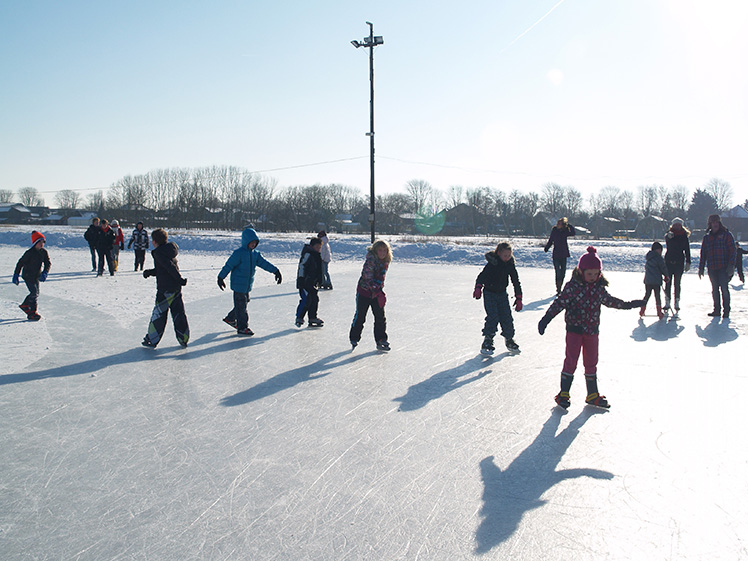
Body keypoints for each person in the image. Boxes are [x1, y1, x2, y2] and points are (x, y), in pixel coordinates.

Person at [537, 246, 645, 410]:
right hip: (574, 330)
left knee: (591, 361)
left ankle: (592, 394)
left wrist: (629, 305)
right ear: (581, 271)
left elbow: (611, 302)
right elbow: (559, 303)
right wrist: (546, 318)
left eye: (596, 274)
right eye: (590, 274)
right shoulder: (572, 287)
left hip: (592, 331)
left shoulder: (598, 289)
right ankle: (563, 393)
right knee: (571, 360)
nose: (593, 277)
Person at [217, 227, 282, 336]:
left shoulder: (255, 254)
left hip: (247, 285)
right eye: (251, 242)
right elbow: (228, 266)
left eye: (255, 243)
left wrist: (276, 271)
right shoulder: (239, 253)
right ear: (246, 241)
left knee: (243, 303)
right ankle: (242, 327)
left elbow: (264, 264)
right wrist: (220, 277)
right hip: (238, 285)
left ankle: (230, 318)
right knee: (242, 307)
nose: (253, 245)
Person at [141, 228, 190, 348]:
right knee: (178, 313)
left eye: (152, 240)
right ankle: (183, 338)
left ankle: (151, 339)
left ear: (155, 241)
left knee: (159, 314)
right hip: (175, 288)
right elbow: (163, 269)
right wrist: (150, 272)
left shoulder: (159, 253)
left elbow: (169, 267)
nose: (152, 242)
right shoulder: (169, 250)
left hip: (165, 290)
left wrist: (180, 279)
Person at [473, 241, 523, 354]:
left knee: (507, 317)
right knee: (493, 317)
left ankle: (509, 339)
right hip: (489, 293)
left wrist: (519, 298)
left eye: (509, 255)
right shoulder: (492, 264)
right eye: (505, 255)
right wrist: (478, 287)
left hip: (502, 294)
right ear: (499, 253)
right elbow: (481, 276)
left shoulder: (509, 265)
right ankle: (488, 340)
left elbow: (516, 281)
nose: (507, 258)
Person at [350, 239, 392, 351]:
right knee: (360, 316)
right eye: (380, 250)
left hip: (376, 292)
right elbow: (368, 278)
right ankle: (354, 337)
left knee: (380, 317)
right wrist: (377, 291)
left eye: (385, 250)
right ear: (375, 251)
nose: (383, 253)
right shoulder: (371, 261)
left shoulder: (385, 262)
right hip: (364, 292)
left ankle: (381, 339)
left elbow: (380, 278)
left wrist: (378, 291)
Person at [698, 214, 736, 319]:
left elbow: (732, 250)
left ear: (719, 223)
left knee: (724, 288)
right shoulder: (707, 238)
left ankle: (726, 310)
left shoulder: (726, 235)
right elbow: (703, 253)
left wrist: (731, 265)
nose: (715, 224)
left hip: (723, 267)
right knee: (715, 289)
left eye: (716, 222)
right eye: (713, 222)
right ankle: (717, 310)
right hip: (712, 267)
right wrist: (701, 268)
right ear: (710, 224)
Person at [12, 231, 51, 321]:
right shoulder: (29, 253)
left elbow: (47, 263)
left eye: (43, 242)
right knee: (34, 293)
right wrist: (16, 274)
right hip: (28, 275)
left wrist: (45, 272)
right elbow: (20, 263)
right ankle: (32, 313)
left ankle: (25, 305)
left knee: (36, 293)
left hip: (36, 275)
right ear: (35, 243)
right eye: (40, 242)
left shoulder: (44, 252)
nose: (42, 244)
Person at [663, 217, 691, 312]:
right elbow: (667, 238)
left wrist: (688, 262)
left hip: (679, 263)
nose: (677, 226)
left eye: (678, 225)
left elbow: (687, 249)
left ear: (681, 226)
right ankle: (667, 301)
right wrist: (668, 236)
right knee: (668, 282)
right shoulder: (670, 234)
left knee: (677, 283)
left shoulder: (684, 236)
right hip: (669, 262)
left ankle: (677, 301)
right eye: (675, 225)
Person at [295, 237, 324, 327]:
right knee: (306, 300)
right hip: (305, 282)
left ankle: (312, 318)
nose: (318, 249)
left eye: (320, 247)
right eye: (317, 247)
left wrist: (320, 280)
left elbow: (319, 270)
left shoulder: (317, 255)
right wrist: (301, 279)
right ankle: (299, 317)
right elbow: (302, 266)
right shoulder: (308, 254)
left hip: (312, 283)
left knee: (314, 300)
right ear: (312, 246)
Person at [544, 217, 576, 294]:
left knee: (563, 272)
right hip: (556, 254)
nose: (558, 224)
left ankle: (560, 285)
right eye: (557, 223)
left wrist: (569, 225)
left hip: (564, 254)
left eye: (559, 223)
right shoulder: (554, 231)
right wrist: (547, 247)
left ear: (562, 225)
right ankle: (558, 288)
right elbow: (551, 240)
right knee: (558, 271)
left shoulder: (565, 231)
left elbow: (573, 233)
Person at [640, 241, 669, 319]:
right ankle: (659, 312)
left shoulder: (649, 257)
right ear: (657, 250)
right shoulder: (659, 258)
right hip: (656, 281)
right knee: (657, 296)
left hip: (648, 281)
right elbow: (663, 268)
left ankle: (642, 310)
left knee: (647, 295)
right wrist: (666, 276)